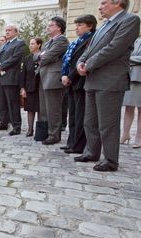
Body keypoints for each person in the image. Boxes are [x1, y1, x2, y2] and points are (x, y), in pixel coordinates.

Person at [76, 0, 140, 171]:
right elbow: (90, 49)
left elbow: (114, 48)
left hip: (111, 80)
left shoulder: (129, 20)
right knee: (90, 121)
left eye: (104, 3)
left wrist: (88, 65)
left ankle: (110, 160)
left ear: (117, 2)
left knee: (108, 124)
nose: (100, 6)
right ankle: (91, 152)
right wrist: (81, 62)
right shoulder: (104, 25)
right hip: (92, 79)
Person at [60, 15, 97, 154]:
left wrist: (70, 76)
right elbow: (69, 60)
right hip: (71, 82)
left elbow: (83, 60)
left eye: (80, 25)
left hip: (80, 81)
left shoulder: (91, 39)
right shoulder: (78, 41)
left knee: (80, 115)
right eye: (76, 25)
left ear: (90, 26)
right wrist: (64, 75)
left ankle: (78, 145)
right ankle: (71, 142)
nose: (76, 28)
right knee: (73, 115)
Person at [38, 16, 69, 144]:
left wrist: (41, 57)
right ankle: (46, 132)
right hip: (44, 77)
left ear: (59, 27)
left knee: (54, 109)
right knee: (45, 109)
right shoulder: (47, 42)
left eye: (51, 25)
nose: (48, 27)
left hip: (53, 78)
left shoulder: (61, 40)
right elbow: (39, 57)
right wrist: (41, 57)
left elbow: (46, 57)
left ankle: (54, 135)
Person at [0, 24, 25, 135]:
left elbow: (15, 58)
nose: (7, 32)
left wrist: (1, 66)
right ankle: (3, 123)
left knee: (13, 103)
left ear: (16, 32)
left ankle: (16, 126)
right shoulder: (3, 45)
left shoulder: (19, 43)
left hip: (11, 77)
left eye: (9, 30)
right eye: (6, 30)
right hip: (0, 77)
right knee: (1, 103)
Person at [121, 36, 141, 149]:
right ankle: (125, 134)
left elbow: (126, 56)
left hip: (139, 77)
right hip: (130, 76)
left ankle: (139, 137)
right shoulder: (135, 39)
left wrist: (129, 58)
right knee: (128, 107)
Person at [20, 37, 42, 137]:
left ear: (39, 45)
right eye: (30, 44)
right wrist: (22, 88)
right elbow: (23, 74)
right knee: (30, 109)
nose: (30, 46)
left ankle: (40, 130)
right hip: (29, 88)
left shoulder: (43, 56)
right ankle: (30, 129)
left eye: (33, 44)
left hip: (41, 87)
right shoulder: (27, 58)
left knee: (41, 110)